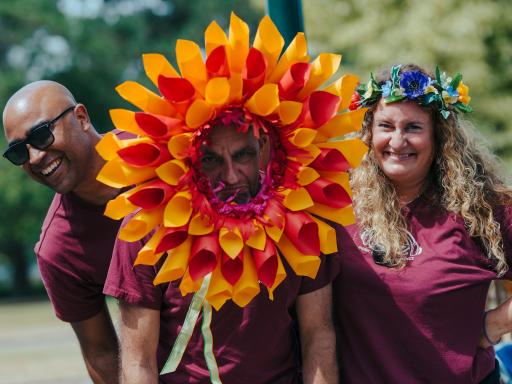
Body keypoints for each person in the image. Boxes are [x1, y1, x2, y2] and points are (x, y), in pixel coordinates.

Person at [104, 116, 339, 383]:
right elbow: (138, 362)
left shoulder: (299, 214)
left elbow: (317, 337)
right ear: (187, 156)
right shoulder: (148, 224)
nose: (230, 176)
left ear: (263, 147)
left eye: (243, 155)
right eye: (210, 159)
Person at [333, 63, 512, 383]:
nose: (397, 141)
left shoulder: (482, 209)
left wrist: (491, 327)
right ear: (369, 133)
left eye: (413, 128)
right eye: (386, 126)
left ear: (439, 136)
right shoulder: (337, 204)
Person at [2, 80, 122, 384]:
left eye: (42, 135)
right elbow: (101, 353)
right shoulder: (58, 251)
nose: (35, 158)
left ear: (81, 118)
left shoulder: (159, 147)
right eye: (18, 152)